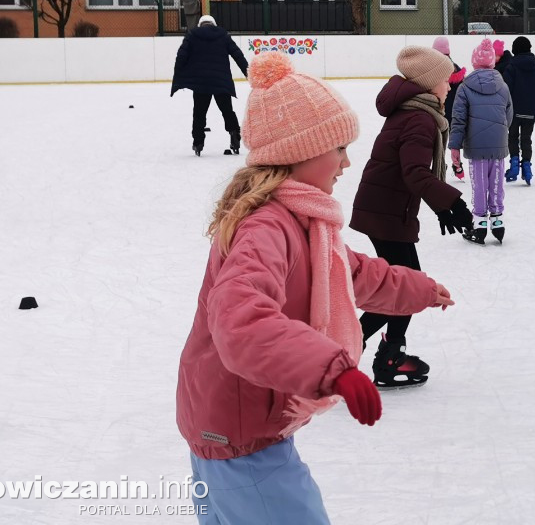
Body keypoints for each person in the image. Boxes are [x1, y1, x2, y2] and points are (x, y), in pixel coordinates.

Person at [176, 52, 454, 524]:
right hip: (240, 435)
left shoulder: (306, 222)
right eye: (338, 148)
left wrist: (419, 289)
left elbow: (355, 274)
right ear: (299, 152)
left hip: (235, 422)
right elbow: (241, 321)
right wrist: (334, 370)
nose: (347, 163)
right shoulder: (267, 227)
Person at [350, 46, 474, 387]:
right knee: (405, 288)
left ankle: (382, 353)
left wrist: (439, 205)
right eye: (446, 81)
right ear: (430, 84)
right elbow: (415, 173)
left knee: (405, 285)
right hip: (387, 211)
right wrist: (453, 204)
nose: (450, 87)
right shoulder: (420, 119)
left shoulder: (412, 112)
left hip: (386, 208)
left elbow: (412, 173)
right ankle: (354, 350)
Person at [450, 39, 513, 245]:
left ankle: (480, 225)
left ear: (475, 62)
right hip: (498, 143)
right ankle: (498, 222)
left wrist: (455, 147)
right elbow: (509, 115)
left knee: (479, 184)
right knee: (496, 182)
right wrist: (500, 133)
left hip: (476, 146)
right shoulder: (503, 86)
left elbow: (458, 120)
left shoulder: (465, 87)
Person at [171, 14, 249, 156]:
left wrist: (178, 75)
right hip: (221, 80)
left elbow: (181, 56)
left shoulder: (192, 35)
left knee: (199, 112)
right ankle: (234, 135)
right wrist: (248, 72)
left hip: (201, 82)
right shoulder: (223, 35)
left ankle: (198, 142)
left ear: (200, 24)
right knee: (227, 111)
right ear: (214, 24)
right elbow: (237, 54)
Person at [503, 36, 535, 185]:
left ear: (515, 50)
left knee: (512, 137)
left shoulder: (511, 68)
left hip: (514, 112)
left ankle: (514, 164)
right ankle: (526, 166)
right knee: (526, 139)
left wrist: (504, 108)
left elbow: (506, 90)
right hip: (531, 112)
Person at [433, 35, 467, 180]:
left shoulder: (434, 69)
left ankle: (440, 165)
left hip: (439, 111)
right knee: (454, 142)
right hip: (455, 112)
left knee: (439, 141)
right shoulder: (456, 69)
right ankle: (457, 165)